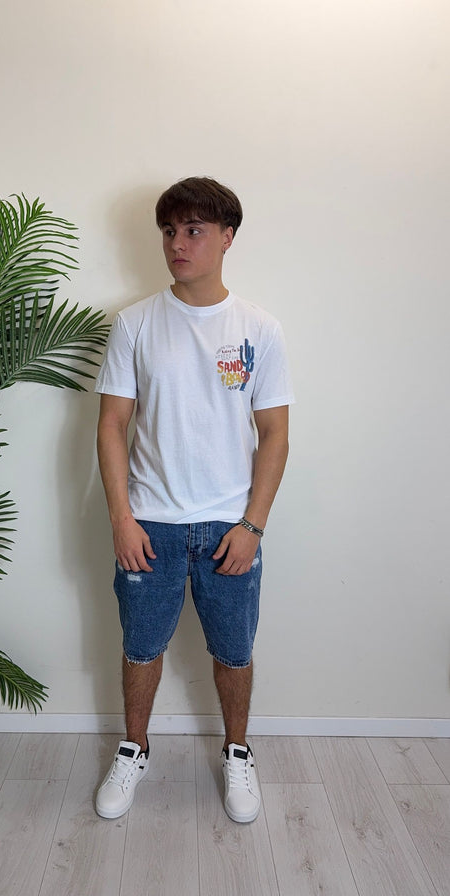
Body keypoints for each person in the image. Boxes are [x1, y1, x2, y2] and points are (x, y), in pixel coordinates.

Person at [94, 176, 294, 823]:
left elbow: (274, 434)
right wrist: (122, 518)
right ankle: (133, 748)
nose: (177, 243)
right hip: (149, 523)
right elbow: (111, 425)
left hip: (229, 526)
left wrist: (252, 525)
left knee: (233, 651)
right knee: (140, 647)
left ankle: (237, 752)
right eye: (169, 231)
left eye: (193, 230)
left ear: (227, 237)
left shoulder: (259, 328)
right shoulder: (134, 323)